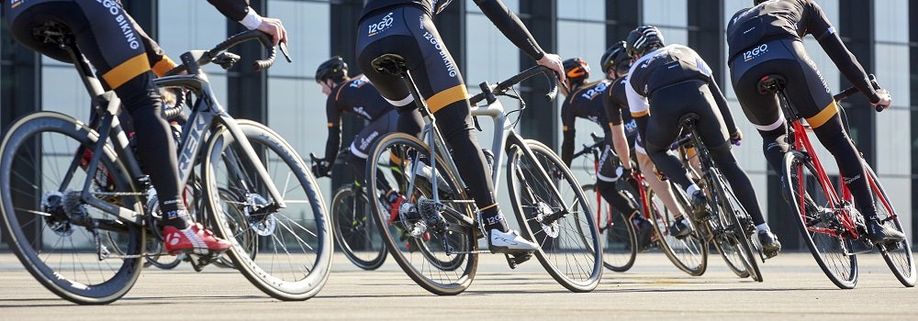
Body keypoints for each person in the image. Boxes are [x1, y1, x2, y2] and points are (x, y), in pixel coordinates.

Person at [4, 0, 288, 255]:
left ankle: (112, 175)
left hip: (21, 15)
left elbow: (124, 24)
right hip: (83, 6)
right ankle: (177, 221)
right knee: (144, 100)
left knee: (115, 84)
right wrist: (254, 20)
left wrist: (166, 67)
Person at [355, 0, 566, 255]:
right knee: (459, 127)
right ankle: (495, 224)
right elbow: (501, 13)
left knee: (408, 108)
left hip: (366, 41)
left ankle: (418, 166)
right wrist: (541, 56)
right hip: (409, 24)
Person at [726, 0, 905, 244]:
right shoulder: (803, 4)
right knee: (836, 137)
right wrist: (873, 95)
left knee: (772, 136)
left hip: (742, 73)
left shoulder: (736, 19)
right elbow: (841, 55)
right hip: (787, 56)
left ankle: (798, 194)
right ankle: (873, 222)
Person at [624, 25, 782, 258]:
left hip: (665, 107)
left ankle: (693, 191)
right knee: (728, 164)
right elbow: (717, 94)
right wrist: (731, 129)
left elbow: (644, 128)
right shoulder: (685, 50)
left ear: (635, 52)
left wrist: (661, 164)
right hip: (701, 99)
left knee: (657, 150)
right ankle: (764, 231)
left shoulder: (635, 72)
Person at [600, 41, 695, 239]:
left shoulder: (614, 89)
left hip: (655, 128)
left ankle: (680, 218)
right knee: (693, 158)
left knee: (646, 163)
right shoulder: (654, 64)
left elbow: (619, 137)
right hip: (688, 108)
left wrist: (626, 168)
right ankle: (714, 196)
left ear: (611, 72)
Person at [558, 57, 653, 249]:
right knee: (638, 170)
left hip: (619, 135)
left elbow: (568, 143)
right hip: (644, 125)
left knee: (605, 186)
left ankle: (640, 221)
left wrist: (563, 168)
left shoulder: (570, 102)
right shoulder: (607, 82)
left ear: (567, 80)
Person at [311, 56, 423, 215]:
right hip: (408, 114)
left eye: (322, 85)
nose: (323, 91)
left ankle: (392, 198)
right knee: (396, 163)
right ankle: (414, 204)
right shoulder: (360, 79)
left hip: (387, 119)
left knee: (355, 156)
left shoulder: (335, 95)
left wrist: (326, 165)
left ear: (330, 81)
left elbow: (334, 137)